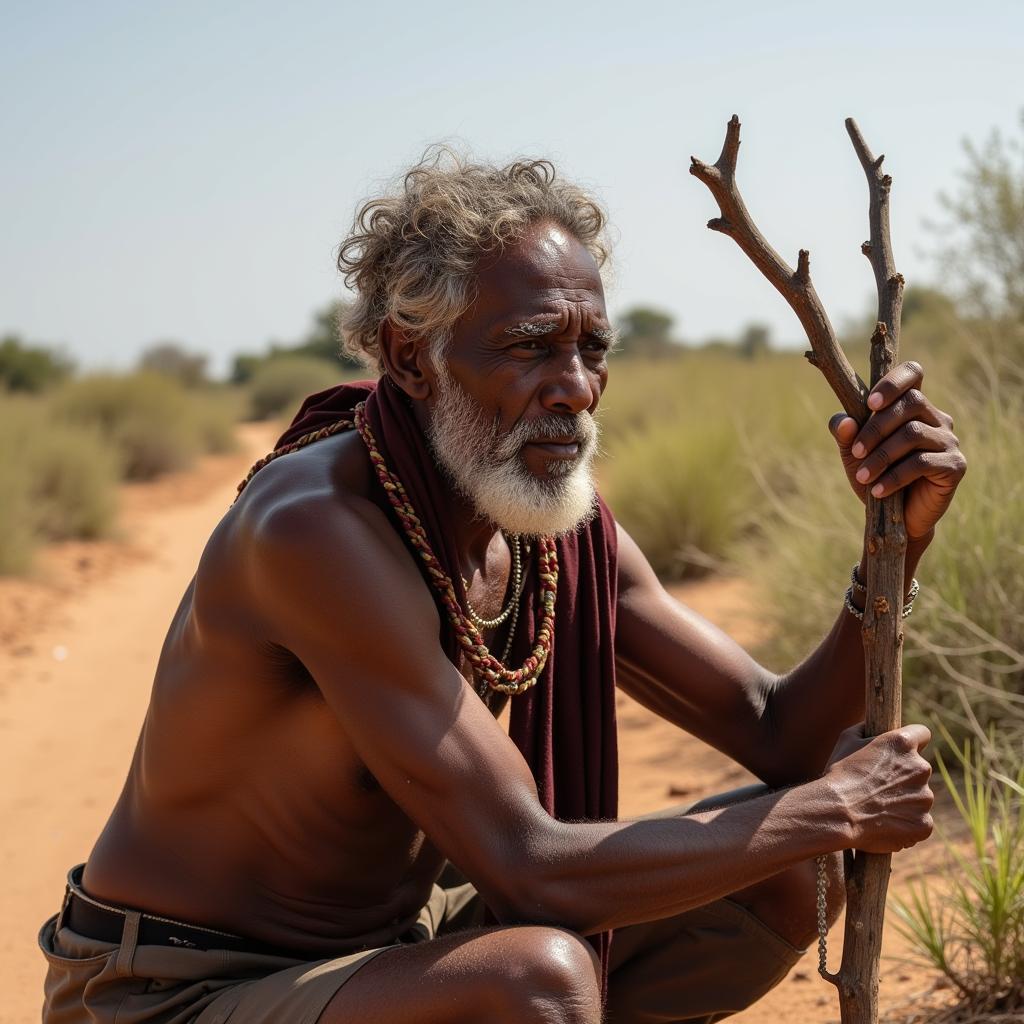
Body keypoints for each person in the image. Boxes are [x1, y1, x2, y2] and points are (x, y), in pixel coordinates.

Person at [39, 152, 966, 1024]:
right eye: (530, 347)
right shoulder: (315, 530)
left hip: (392, 949)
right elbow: (530, 870)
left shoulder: (551, 528)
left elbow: (778, 730)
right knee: (535, 982)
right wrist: (831, 807)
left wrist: (896, 547)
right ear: (410, 358)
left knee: (791, 865)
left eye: (592, 349)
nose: (574, 388)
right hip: (178, 989)